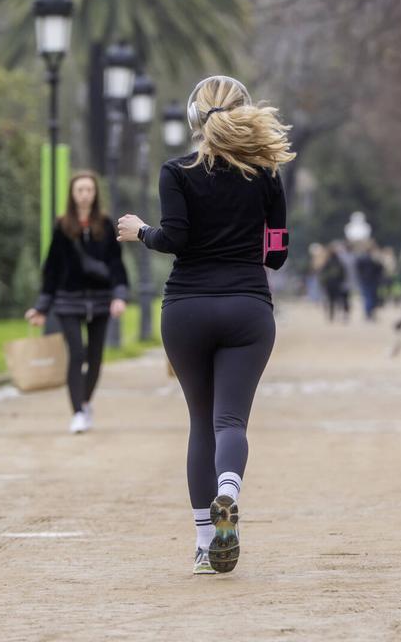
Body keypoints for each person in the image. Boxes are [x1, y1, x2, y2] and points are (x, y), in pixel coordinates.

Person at [116, 75, 294, 575]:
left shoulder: (176, 172)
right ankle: (228, 490)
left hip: (187, 309)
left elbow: (174, 237)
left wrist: (140, 232)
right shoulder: (267, 176)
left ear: (195, 120)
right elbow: (277, 254)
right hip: (246, 308)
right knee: (230, 422)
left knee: (200, 422)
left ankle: (202, 544)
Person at [26, 171, 128, 435]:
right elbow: (52, 268)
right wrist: (41, 307)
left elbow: (116, 263)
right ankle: (78, 412)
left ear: (95, 194)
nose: (84, 195)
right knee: (77, 353)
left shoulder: (105, 224)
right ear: (72, 194)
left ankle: (85, 402)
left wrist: (119, 295)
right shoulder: (62, 226)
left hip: (100, 299)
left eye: (89, 190)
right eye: (79, 190)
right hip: (68, 300)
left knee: (95, 356)